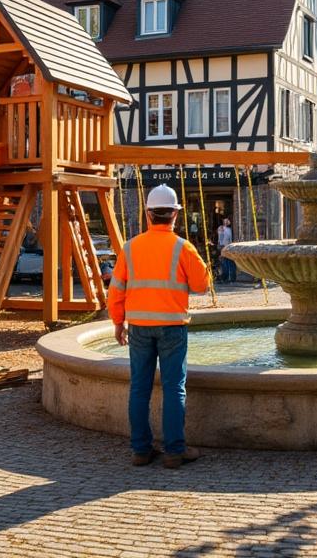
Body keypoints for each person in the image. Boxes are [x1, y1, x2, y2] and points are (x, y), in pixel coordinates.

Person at [109, 185, 210, 469]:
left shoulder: (131, 247)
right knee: (174, 388)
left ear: (148, 214)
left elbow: (116, 290)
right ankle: (174, 452)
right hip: (172, 327)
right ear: (175, 215)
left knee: (139, 389)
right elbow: (202, 285)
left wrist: (118, 321)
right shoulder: (182, 247)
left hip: (139, 326)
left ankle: (141, 451)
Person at [216, 218, 236, 283]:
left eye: (228, 220)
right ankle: (226, 278)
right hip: (224, 246)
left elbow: (227, 238)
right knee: (225, 263)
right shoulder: (221, 228)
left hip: (229, 247)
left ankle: (230, 278)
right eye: (225, 221)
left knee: (229, 262)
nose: (227, 222)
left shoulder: (229, 229)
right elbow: (220, 238)